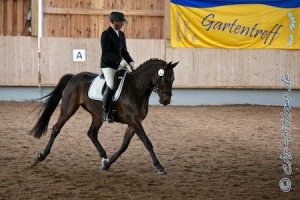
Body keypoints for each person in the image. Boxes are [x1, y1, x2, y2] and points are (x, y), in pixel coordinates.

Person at [100, 11, 135, 123]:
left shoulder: (121, 34)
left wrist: (130, 61)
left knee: (128, 80)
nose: (123, 24)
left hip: (120, 65)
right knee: (110, 85)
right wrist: (120, 61)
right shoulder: (106, 34)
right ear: (115, 22)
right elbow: (106, 53)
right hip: (109, 65)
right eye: (121, 22)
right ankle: (105, 112)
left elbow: (124, 51)